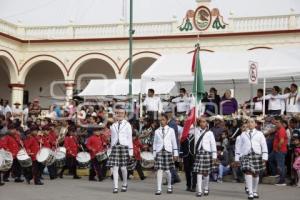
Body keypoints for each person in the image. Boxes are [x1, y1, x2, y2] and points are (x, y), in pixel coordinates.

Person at [235, 118, 268, 199]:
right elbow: (238, 147)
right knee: (248, 172)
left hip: (257, 155)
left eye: (252, 122)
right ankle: (250, 192)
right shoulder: (243, 134)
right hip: (246, 155)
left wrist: (265, 156)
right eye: (248, 122)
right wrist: (237, 158)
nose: (250, 124)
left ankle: (254, 190)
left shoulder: (260, 134)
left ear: (255, 124)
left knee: (256, 174)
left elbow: (264, 145)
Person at [106, 104, 133, 194]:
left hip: (124, 147)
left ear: (124, 114)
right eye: (118, 113)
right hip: (115, 147)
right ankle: (116, 187)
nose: (120, 114)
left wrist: (131, 151)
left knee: (123, 168)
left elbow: (129, 138)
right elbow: (112, 138)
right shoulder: (113, 125)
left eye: (122, 113)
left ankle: (125, 183)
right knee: (115, 168)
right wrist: (110, 149)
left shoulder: (127, 125)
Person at [153, 113, 178, 195]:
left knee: (167, 171)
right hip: (159, 151)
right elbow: (155, 143)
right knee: (159, 170)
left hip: (168, 151)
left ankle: (169, 186)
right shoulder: (157, 131)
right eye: (160, 120)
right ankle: (159, 189)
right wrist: (154, 154)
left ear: (167, 120)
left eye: (163, 120)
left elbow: (174, 142)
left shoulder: (171, 130)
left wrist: (175, 153)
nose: (161, 121)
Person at [193, 117, 217, 197]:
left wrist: (214, 156)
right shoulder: (195, 131)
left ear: (207, 123)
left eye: (204, 122)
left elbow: (213, 145)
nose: (202, 123)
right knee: (199, 172)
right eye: (201, 122)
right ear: (199, 123)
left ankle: (206, 187)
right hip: (199, 153)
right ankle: (199, 190)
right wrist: (194, 120)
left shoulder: (210, 133)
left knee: (206, 173)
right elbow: (188, 129)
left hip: (207, 153)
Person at [269, 116, 288, 186]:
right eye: (276, 122)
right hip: (276, 150)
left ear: (281, 123)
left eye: (278, 123)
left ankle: (282, 181)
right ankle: (275, 173)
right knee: (270, 159)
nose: (276, 124)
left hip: (280, 150)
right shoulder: (278, 129)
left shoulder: (281, 130)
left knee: (280, 166)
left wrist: (278, 148)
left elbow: (282, 141)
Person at [180, 123, 197, 192]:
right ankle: (188, 185)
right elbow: (181, 146)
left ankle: (194, 186)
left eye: (191, 129)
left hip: (193, 155)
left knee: (194, 171)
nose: (190, 131)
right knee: (187, 170)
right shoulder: (184, 137)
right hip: (186, 155)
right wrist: (181, 155)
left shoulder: (196, 136)